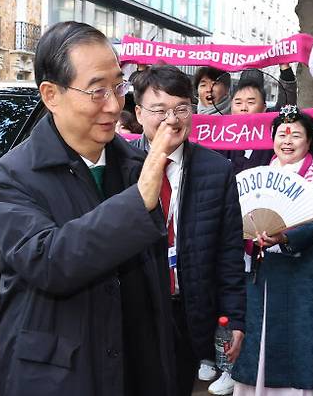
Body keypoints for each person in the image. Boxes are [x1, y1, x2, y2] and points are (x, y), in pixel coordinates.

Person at [0, 22, 179, 395]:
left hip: (136, 368)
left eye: (118, 87)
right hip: (60, 376)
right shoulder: (12, 176)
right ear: (51, 95)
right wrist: (139, 199)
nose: (114, 105)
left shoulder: (133, 166)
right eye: (96, 91)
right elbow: (50, 261)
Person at [130, 64, 246, 396]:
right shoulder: (121, 167)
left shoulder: (217, 171)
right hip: (135, 311)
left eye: (181, 108)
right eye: (159, 110)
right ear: (138, 113)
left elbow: (228, 254)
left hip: (186, 308)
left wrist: (235, 319)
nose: (172, 119)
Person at [232, 105, 313, 396]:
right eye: (282, 133)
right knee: (261, 339)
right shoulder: (258, 175)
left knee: (303, 341)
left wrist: (285, 237)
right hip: (263, 274)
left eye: (296, 135)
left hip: (307, 274)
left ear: (309, 142)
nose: (287, 140)